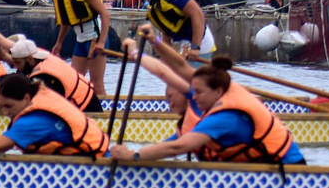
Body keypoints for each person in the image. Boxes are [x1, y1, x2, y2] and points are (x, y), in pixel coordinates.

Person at [108, 57, 304, 165]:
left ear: (217, 92)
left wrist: (134, 156)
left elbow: (178, 147)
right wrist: (141, 50)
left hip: (289, 171)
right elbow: (165, 71)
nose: (193, 96)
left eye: (198, 92)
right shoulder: (204, 105)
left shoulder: (224, 117)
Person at [48, 0, 114, 89]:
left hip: (94, 39)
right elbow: (66, 21)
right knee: (75, 82)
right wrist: (59, 43)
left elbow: (105, 14)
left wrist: (101, 42)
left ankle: (104, 111)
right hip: (81, 40)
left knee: (96, 84)